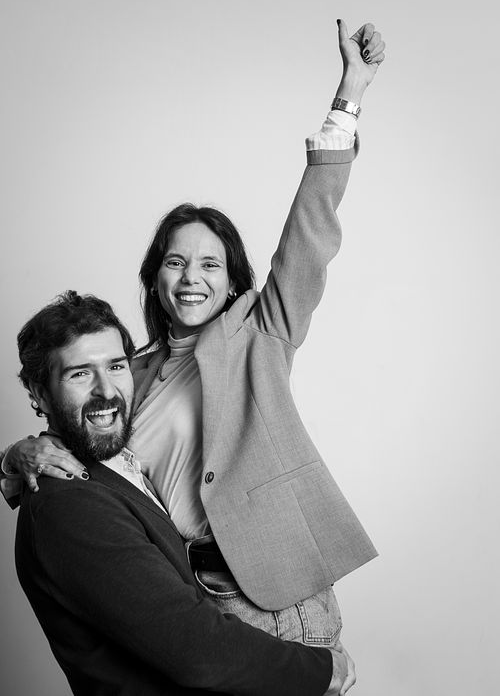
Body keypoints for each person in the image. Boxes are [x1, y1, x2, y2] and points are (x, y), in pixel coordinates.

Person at [3, 18, 385, 666]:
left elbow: (309, 233)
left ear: (232, 280)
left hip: (275, 598)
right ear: (155, 277)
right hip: (188, 596)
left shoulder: (260, 334)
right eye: (176, 262)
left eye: (211, 265)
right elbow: (87, 444)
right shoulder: (128, 372)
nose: (191, 278)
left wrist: (348, 96)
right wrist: (18, 454)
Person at [14, 291, 350, 696]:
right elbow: (196, 648)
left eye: (116, 366)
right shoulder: (69, 504)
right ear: (40, 393)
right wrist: (321, 671)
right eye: (80, 374)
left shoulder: (112, 465)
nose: (106, 390)